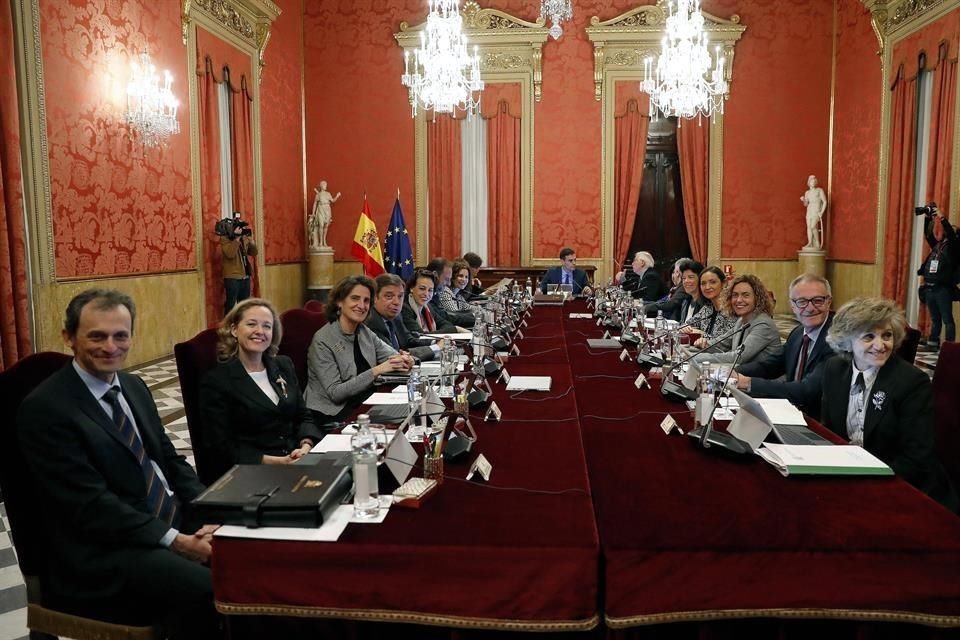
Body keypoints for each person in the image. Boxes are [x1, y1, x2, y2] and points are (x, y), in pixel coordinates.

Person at [16, 289, 218, 637]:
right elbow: (90, 505)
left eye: (120, 335)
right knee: (210, 588)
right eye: (97, 336)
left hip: (158, 521)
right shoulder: (46, 408)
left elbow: (169, 460)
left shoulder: (133, 386)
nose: (110, 347)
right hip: (100, 551)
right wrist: (176, 540)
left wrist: (208, 512)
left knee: (255, 556)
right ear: (69, 337)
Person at [821, 297, 958, 512]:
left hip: (907, 489)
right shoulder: (834, 370)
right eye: (868, 336)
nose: (880, 345)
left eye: (887, 335)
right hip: (854, 477)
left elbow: (916, 459)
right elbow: (830, 430)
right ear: (846, 341)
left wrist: (862, 479)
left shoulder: (911, 382)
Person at [199, 298, 324, 480]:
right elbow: (220, 447)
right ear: (234, 330)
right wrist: (276, 461)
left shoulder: (283, 365)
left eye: (267, 326)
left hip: (298, 461)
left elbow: (303, 415)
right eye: (251, 324)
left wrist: (306, 445)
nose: (260, 331)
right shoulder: (217, 381)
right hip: (252, 473)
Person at [304, 276, 414, 423]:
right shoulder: (323, 340)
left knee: (412, 412)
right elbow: (336, 393)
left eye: (366, 301)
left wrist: (406, 359)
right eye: (355, 298)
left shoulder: (364, 331)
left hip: (365, 400)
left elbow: (393, 356)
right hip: (332, 411)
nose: (361, 306)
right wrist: (377, 370)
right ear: (339, 301)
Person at [734, 274, 835, 420]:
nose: (810, 308)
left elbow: (807, 391)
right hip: (789, 414)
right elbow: (770, 365)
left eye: (818, 301)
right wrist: (733, 373)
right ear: (792, 306)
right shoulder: (798, 333)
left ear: (829, 302)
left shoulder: (836, 340)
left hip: (818, 423)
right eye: (802, 302)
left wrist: (749, 383)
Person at [691, 274, 782, 366]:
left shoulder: (763, 324)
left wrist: (693, 358)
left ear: (757, 299)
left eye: (745, 295)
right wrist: (694, 348)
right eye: (735, 295)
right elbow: (720, 344)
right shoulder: (741, 320)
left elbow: (738, 357)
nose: (738, 300)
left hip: (760, 378)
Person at [366, 273, 441, 361]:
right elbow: (393, 356)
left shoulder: (396, 317)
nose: (396, 302)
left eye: (400, 296)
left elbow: (408, 341)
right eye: (389, 296)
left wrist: (435, 341)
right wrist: (436, 347)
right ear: (374, 298)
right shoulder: (372, 322)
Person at [917, 207, 958, 349]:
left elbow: (952, 234)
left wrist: (942, 217)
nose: (948, 230)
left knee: (947, 319)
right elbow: (928, 235)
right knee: (935, 319)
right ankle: (933, 343)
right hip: (930, 287)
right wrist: (928, 218)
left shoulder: (954, 247)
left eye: (951, 229)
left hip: (942, 289)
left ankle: (949, 347)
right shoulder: (938, 246)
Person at [681, 266, 736, 343]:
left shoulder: (731, 309)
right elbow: (687, 324)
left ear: (724, 283)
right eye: (703, 283)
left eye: (712, 282)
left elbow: (725, 344)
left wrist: (701, 334)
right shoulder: (707, 307)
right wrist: (684, 327)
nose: (707, 287)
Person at [401, 268, 460, 338]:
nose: (426, 294)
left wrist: (452, 330)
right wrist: (455, 329)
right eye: (422, 288)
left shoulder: (428, 306)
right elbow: (421, 336)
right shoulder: (405, 308)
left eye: (430, 290)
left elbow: (446, 324)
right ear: (411, 288)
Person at [221, 211, 258, 317]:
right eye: (239, 227)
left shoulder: (243, 238)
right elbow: (230, 254)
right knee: (231, 305)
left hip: (245, 276)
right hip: (232, 277)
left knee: (244, 306)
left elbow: (254, 252)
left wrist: (251, 242)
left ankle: (242, 325)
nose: (241, 230)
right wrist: (236, 239)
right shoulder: (225, 238)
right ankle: (227, 327)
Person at [432, 257, 480, 327]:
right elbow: (454, 315)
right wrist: (477, 315)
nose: (464, 279)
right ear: (452, 277)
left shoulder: (458, 295)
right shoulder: (445, 292)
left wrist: (482, 310)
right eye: (460, 276)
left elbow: (469, 308)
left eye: (466, 277)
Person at [310, 180, 341, 249]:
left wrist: (337, 196)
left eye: (326, 185)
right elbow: (315, 204)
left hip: (327, 209)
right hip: (321, 209)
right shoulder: (318, 194)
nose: (326, 186)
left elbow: (333, 200)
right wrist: (313, 213)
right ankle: (320, 242)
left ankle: (324, 241)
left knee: (326, 226)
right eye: (325, 185)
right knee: (321, 225)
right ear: (321, 186)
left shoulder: (328, 194)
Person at [801, 175, 827, 250]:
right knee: (809, 227)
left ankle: (817, 243)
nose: (814, 182)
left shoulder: (819, 190)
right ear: (809, 182)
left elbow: (824, 201)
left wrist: (821, 212)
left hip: (816, 210)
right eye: (812, 180)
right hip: (809, 210)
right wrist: (803, 200)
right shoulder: (807, 192)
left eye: (814, 180)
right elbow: (806, 204)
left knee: (813, 226)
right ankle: (810, 243)